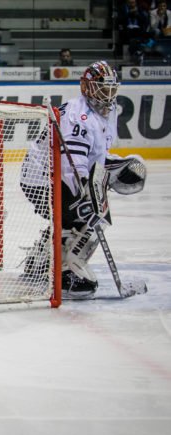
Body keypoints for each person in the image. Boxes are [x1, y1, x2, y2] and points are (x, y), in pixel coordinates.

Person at [20, 61, 146, 300]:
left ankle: (40, 260)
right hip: (42, 180)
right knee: (91, 215)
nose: (107, 93)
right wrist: (82, 199)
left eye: (111, 88)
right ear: (86, 87)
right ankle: (65, 271)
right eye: (101, 87)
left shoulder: (107, 111)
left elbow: (96, 155)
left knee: (85, 211)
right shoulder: (79, 115)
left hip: (49, 175)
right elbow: (72, 165)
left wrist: (119, 164)